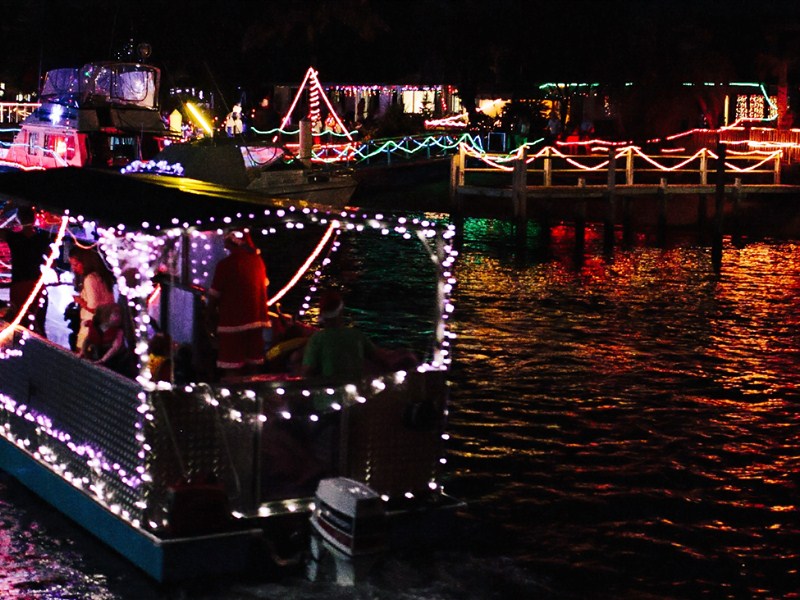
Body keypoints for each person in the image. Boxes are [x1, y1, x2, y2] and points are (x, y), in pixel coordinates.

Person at [301, 289, 417, 380]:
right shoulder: (357, 336)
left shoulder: (317, 339)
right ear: (341, 311)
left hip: (326, 402)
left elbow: (307, 373)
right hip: (353, 397)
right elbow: (380, 360)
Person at [206, 229, 270, 377]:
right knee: (253, 366)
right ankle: (253, 395)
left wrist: (208, 317)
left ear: (232, 240)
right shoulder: (258, 262)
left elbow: (215, 295)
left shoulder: (226, 264)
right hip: (256, 320)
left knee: (232, 368)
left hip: (232, 322)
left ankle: (234, 397)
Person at [0, 205, 51, 335]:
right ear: (34, 219)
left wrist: (5, 211)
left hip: (19, 284)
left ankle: (23, 349)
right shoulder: (43, 238)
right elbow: (51, 260)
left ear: (18, 219)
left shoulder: (13, 237)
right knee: (38, 323)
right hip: (36, 284)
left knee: (20, 322)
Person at [68, 246, 115, 352]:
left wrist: (80, 301)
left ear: (85, 262)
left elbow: (93, 307)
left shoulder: (90, 279)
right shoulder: (103, 276)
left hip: (91, 327)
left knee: (83, 354)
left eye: (75, 264)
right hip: (106, 326)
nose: (74, 268)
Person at [80, 303, 135, 376]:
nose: (118, 318)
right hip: (96, 352)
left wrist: (103, 360)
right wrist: (83, 351)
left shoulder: (118, 332)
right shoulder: (95, 325)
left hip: (113, 359)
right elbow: (88, 339)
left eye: (119, 316)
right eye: (115, 315)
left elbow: (115, 348)